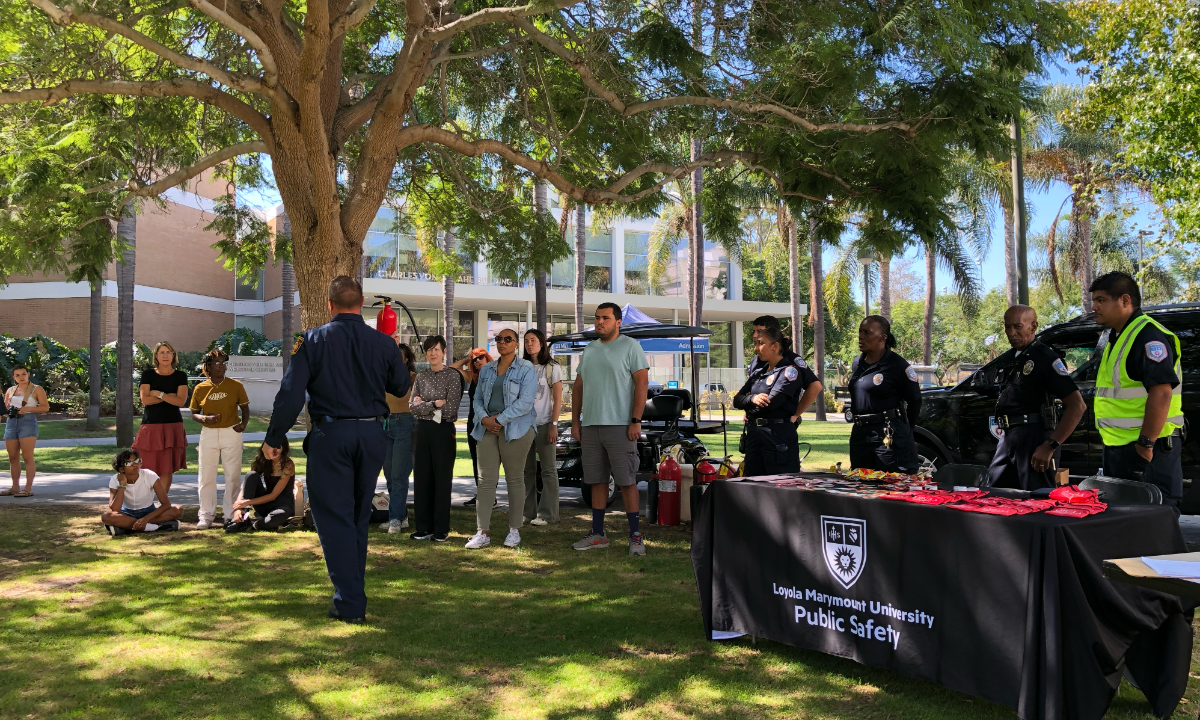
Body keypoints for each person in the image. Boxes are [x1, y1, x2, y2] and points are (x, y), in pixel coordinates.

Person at [262, 276, 411, 623]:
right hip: (372, 434)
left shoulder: (312, 340)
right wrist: (387, 351)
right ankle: (352, 594)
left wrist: (274, 436)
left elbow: (290, 393)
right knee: (357, 517)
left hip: (332, 435)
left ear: (330, 305)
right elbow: (401, 387)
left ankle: (350, 603)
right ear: (361, 304)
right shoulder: (383, 343)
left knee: (334, 520)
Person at [1090, 271, 1185, 508]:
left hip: (1148, 450)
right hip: (1122, 448)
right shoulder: (1116, 336)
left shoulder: (1148, 335)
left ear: (1124, 300)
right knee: (1126, 526)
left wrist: (1145, 444)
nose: (1094, 306)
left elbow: (1162, 393)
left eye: (1101, 300)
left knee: (1153, 527)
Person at [570, 303, 650, 555]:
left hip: (621, 426)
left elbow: (642, 383)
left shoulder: (630, 346)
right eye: (597, 318)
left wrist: (635, 420)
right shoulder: (590, 350)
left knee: (626, 482)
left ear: (618, 322)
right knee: (596, 481)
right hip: (591, 425)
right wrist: (575, 421)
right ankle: (598, 533)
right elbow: (578, 388)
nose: (599, 322)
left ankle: (635, 536)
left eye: (605, 318)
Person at [986, 306, 1087, 490]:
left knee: (1036, 502)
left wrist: (1050, 446)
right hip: (1008, 437)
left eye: (1017, 326)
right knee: (997, 495)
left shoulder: (1045, 358)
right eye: (1007, 327)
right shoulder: (1011, 358)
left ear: (1033, 326)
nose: (1011, 332)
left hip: (1035, 439)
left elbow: (1077, 406)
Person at [465, 328, 538, 549]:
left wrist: (500, 420)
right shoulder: (486, 369)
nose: (502, 342)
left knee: (514, 479)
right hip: (486, 428)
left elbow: (526, 402)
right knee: (486, 480)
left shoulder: (526, 368)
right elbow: (476, 398)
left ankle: (514, 530)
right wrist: (485, 419)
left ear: (517, 344)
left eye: (508, 339)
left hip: (516, 429)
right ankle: (482, 532)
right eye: (498, 339)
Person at [847, 315, 922, 473]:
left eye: (867, 333)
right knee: (860, 486)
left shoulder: (898, 365)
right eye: (860, 332)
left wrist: (905, 430)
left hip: (888, 434)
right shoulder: (857, 363)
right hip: (860, 434)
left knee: (891, 486)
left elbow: (915, 401)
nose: (861, 336)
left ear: (882, 337)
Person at [733, 326, 811, 475]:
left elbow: (770, 404)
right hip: (755, 436)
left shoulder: (789, 372)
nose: (756, 348)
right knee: (752, 485)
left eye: (760, 343)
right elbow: (736, 400)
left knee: (780, 486)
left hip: (777, 437)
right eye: (756, 344)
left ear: (775, 346)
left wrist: (748, 405)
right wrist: (753, 399)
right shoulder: (758, 373)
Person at [409, 335, 463, 542]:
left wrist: (424, 403)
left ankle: (440, 529)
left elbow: (450, 408)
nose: (433, 353)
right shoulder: (421, 377)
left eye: (436, 349)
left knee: (441, 480)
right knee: (422, 479)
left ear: (444, 352)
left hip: (443, 431)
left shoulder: (452, 376)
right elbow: (412, 407)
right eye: (429, 350)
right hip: (421, 431)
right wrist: (433, 404)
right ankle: (423, 527)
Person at [190, 349, 250, 529]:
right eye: (217, 363)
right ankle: (206, 515)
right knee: (206, 475)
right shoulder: (200, 388)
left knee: (232, 475)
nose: (222, 366)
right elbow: (193, 413)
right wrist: (203, 419)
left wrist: (243, 425)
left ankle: (230, 514)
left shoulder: (235, 385)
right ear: (207, 366)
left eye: (224, 363)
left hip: (231, 433)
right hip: (208, 434)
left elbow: (245, 408)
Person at [132, 341, 189, 493]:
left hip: (172, 426)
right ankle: (145, 502)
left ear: (173, 356)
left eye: (168, 352)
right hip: (151, 425)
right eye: (162, 352)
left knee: (166, 468)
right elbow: (145, 400)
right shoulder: (148, 375)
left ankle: (162, 505)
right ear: (156, 356)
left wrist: (158, 394)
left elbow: (180, 401)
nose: (165, 356)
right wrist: (170, 397)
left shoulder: (180, 376)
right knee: (146, 465)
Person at [522, 329, 563, 526]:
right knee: (526, 470)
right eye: (526, 340)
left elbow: (557, 400)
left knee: (548, 470)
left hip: (545, 424)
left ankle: (548, 513)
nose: (530, 344)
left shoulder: (552, 367)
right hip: (523, 426)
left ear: (542, 343)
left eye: (533, 340)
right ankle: (527, 512)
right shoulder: (521, 367)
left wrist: (554, 425)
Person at [747, 315, 821, 423]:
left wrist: (796, 414)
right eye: (754, 331)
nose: (755, 335)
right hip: (755, 429)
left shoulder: (790, 359)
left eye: (759, 331)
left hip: (779, 428)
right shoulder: (756, 360)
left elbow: (815, 386)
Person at [380, 339, 417, 533]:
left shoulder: (412, 377)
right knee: (388, 473)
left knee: (399, 474)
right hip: (385, 424)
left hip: (405, 424)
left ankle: (394, 518)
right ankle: (401, 516)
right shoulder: (383, 377)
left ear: (405, 359)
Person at [101, 449, 182, 536]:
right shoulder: (115, 479)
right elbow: (115, 509)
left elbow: (166, 504)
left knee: (178, 510)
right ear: (121, 469)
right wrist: (122, 485)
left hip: (149, 512)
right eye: (129, 463)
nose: (135, 464)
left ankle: (127, 527)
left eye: (136, 460)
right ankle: (154, 527)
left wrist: (146, 519)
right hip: (127, 513)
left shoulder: (149, 475)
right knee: (106, 517)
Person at [450, 348, 492, 507]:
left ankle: (490, 496)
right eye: (474, 359)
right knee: (476, 459)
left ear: (487, 357)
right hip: (473, 423)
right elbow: (451, 369)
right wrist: (467, 360)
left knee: (489, 461)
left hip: (489, 422)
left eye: (481, 357)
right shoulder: (472, 377)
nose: (478, 361)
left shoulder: (496, 374)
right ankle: (481, 494)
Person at [227, 441, 297, 533]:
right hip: (265, 503)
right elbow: (247, 484)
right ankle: (241, 519)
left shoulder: (288, 465)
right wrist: (238, 507)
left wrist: (247, 502)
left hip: (282, 506)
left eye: (278, 446)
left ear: (283, 448)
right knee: (251, 474)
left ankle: (255, 525)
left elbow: (273, 496)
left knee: (278, 515)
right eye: (272, 447)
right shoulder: (262, 461)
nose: (274, 450)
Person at [2, 364, 48, 497]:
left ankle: (28, 489)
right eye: (17, 375)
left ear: (28, 374)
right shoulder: (10, 390)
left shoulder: (36, 389)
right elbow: (5, 409)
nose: (21, 377)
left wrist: (27, 409)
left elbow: (45, 407)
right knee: (12, 457)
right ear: (13, 377)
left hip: (27, 422)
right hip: (11, 423)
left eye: (23, 374)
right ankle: (15, 487)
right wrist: (7, 410)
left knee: (27, 456)